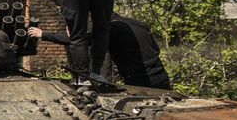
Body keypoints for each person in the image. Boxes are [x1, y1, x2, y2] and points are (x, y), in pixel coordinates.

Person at [28, 13, 171, 89]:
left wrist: (43, 34)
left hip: (141, 82)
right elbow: (156, 49)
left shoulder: (110, 29)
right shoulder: (138, 24)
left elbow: (80, 41)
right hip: (161, 77)